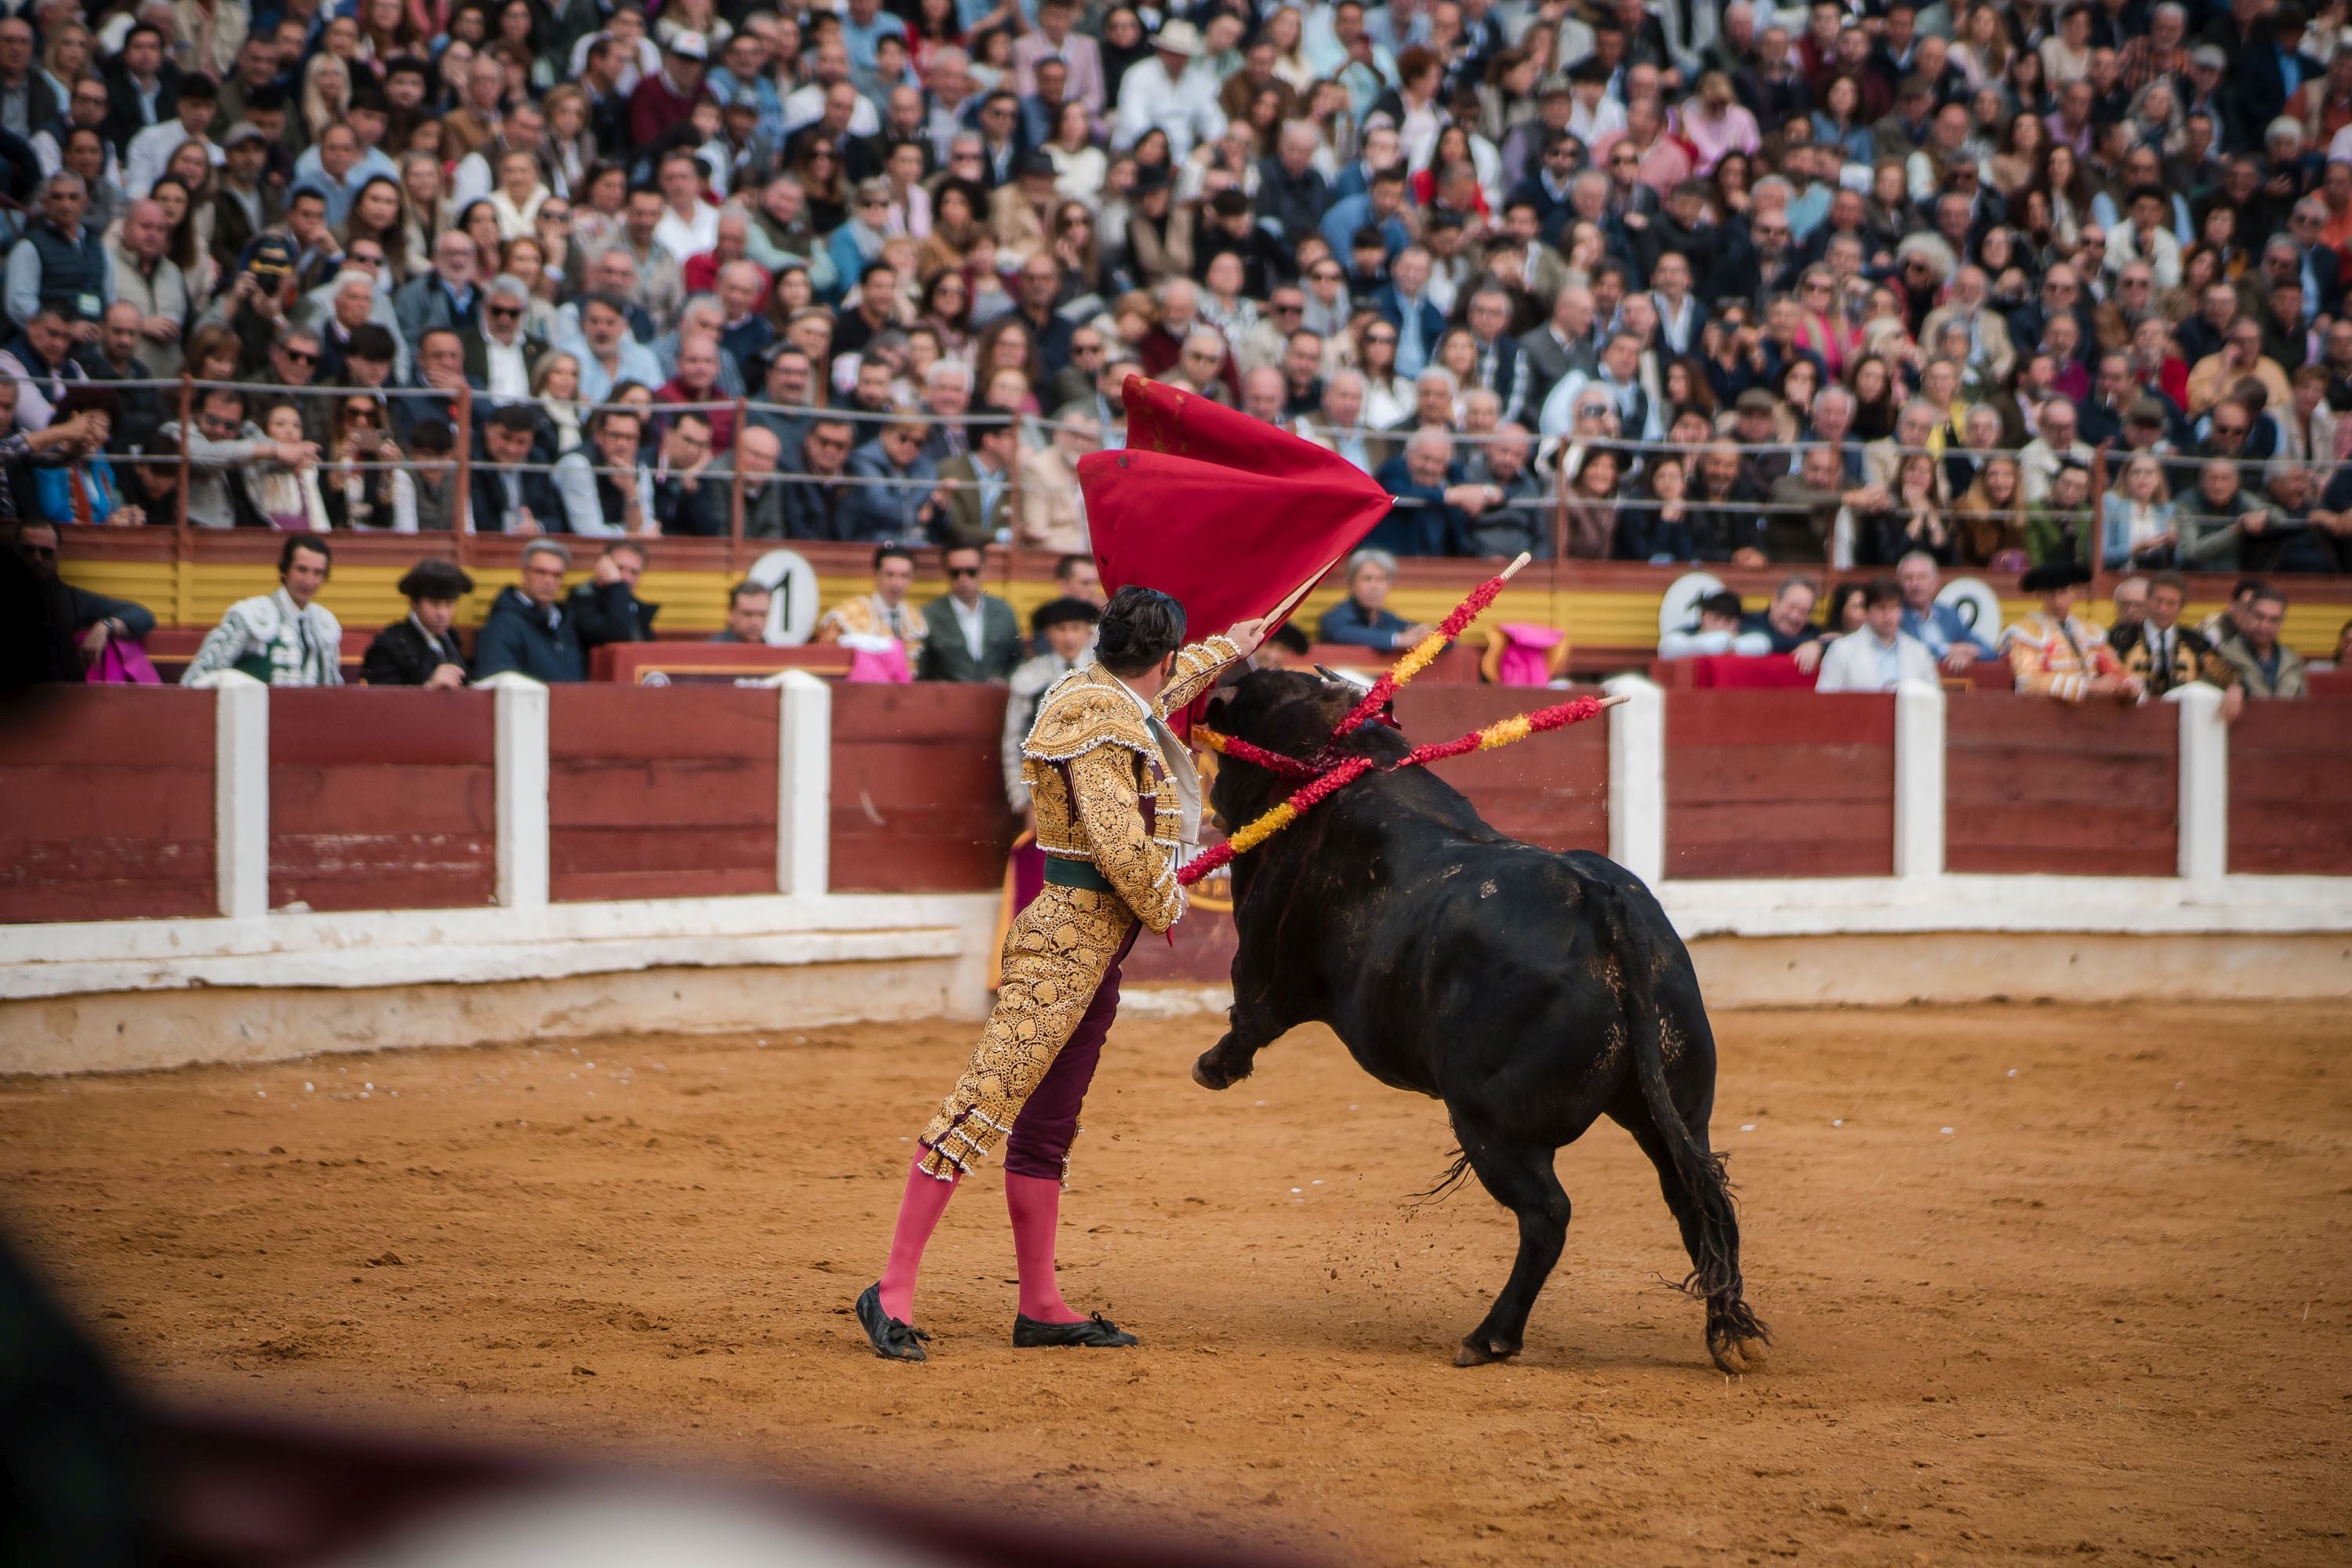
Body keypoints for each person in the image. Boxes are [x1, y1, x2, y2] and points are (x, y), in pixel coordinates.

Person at [856, 590, 1268, 1361]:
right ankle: (891, 1289)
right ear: (1161, 654)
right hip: (1062, 946)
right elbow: (1117, 842)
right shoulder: (1100, 717)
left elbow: (1162, 691)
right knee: (983, 1103)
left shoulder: (1093, 691)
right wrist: (1167, 893)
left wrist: (1232, 644)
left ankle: (1041, 1303)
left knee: (1046, 1126)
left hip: (1095, 949)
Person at [1000, 593, 1103, 908]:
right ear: (1049, 633)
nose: (1069, 636)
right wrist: (1024, 800)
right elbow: (1013, 742)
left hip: (1097, 789)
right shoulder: (1030, 679)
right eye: (1061, 629)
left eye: (1076, 628)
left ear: (1089, 631)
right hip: (1045, 791)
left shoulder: (1106, 675)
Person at [4, 518, 155, 682]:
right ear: (16, 551)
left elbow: (142, 615)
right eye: (28, 551)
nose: (37, 558)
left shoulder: (72, 599)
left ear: (58, 554)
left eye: (46, 552)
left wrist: (104, 626)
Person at [181, 535, 343, 687]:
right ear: (284, 571)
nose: (309, 581)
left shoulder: (325, 623)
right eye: (301, 570)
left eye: (318, 573)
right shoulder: (250, 614)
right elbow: (196, 680)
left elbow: (332, 689)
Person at [2001, 561, 2143, 702]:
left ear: (2074, 592)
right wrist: (2089, 687)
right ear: (2040, 595)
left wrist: (2126, 686)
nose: (2057, 601)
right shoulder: (2023, 633)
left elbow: (2115, 670)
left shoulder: (2090, 633)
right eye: (2050, 594)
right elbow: (2029, 681)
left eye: (2063, 592)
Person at [2109, 570, 2242, 714]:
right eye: (2158, 601)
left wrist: (2234, 688)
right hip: (2130, 715)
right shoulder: (2121, 638)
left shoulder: (2194, 641)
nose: (2162, 609)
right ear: (2147, 599)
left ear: (2181, 607)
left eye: (2171, 603)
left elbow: (2224, 673)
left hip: (2183, 719)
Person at [474, 538, 587, 682]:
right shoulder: (503, 624)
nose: (549, 581)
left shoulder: (564, 622)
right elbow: (500, 682)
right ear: (524, 572)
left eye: (557, 575)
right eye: (541, 572)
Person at [1815, 574, 1940, 692]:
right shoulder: (1842, 650)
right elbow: (1826, 699)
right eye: (1881, 608)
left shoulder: (1919, 651)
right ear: (1867, 611)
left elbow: (1934, 698)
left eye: (1894, 608)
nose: (1888, 616)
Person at [359, 558, 474, 686]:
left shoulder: (451, 639)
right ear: (413, 602)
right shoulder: (388, 646)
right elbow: (382, 700)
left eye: (449, 604)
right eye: (434, 604)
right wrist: (429, 686)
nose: (443, 613)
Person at [917, 542, 1022, 682]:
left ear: (983, 571)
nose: (963, 579)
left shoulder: (1003, 612)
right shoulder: (928, 615)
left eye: (971, 572)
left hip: (997, 700)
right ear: (945, 573)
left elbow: (1018, 661)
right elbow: (922, 672)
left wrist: (1006, 681)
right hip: (948, 701)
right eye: (955, 573)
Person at [815, 542, 925, 666]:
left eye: (904, 576)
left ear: (912, 578)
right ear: (875, 574)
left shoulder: (915, 618)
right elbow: (824, 659)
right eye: (889, 575)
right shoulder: (848, 614)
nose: (897, 583)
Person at [1894, 550, 1993, 673]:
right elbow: (1910, 651)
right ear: (1899, 584)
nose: (1915, 584)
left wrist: (1971, 653)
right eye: (1908, 578)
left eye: (1922, 577)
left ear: (1935, 583)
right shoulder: (1895, 615)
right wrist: (1947, 650)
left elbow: (1990, 651)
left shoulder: (1948, 615)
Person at [1317, 548, 1434, 651]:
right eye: (1367, 579)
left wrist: (1428, 632)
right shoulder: (1335, 618)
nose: (1374, 586)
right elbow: (1342, 633)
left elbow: (1445, 642)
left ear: (1389, 585)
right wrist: (1397, 640)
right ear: (1351, 583)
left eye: (1381, 579)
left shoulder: (1388, 619)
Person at [567, 539, 659, 653]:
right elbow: (617, 637)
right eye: (619, 568)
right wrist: (616, 586)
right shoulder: (582, 599)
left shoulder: (635, 607)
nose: (626, 578)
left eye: (634, 572)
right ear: (602, 566)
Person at [2216, 586, 2309, 699]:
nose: (2264, 626)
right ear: (2247, 615)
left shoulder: (2293, 660)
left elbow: (2303, 705)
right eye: (2259, 617)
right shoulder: (2222, 655)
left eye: (2273, 620)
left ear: (2281, 623)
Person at [1660, 590, 1773, 659]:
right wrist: (1724, 640)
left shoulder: (1748, 637)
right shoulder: (1683, 636)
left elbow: (1763, 644)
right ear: (1704, 616)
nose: (1721, 626)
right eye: (1716, 618)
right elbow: (1669, 647)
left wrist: (1731, 644)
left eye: (1728, 621)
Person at [710, 578, 771, 643]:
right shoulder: (714, 650)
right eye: (748, 614)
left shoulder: (773, 650)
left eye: (761, 615)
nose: (754, 622)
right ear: (731, 614)